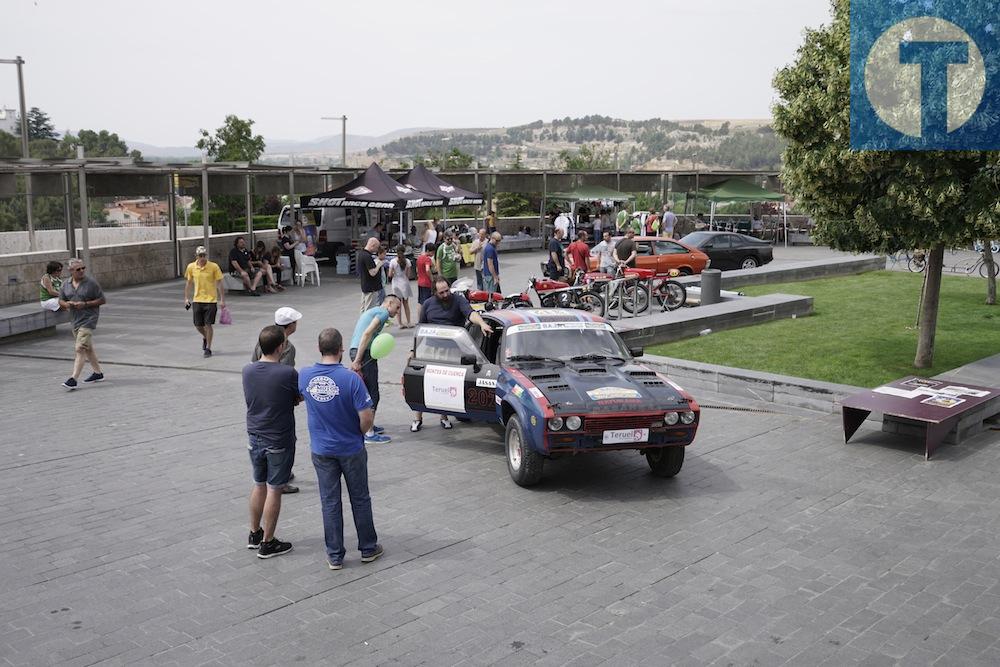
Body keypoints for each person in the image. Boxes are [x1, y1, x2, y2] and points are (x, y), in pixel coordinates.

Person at [300, 328, 383, 570]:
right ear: (341, 350)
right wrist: (357, 433)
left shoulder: (305, 375)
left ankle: (335, 554)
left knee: (329, 501)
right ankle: (368, 548)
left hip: (322, 450)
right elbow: (367, 416)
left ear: (319, 349)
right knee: (360, 498)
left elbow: (299, 396)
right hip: (350, 448)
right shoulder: (351, 379)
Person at [242, 325, 300, 559]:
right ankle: (268, 543)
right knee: (275, 490)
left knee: (259, 484)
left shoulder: (247, 370)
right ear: (281, 347)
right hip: (279, 438)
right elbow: (297, 397)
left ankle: (254, 533)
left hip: (254, 436)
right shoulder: (287, 373)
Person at [412, 278, 492, 432]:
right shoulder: (428, 304)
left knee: (445, 383)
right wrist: (413, 351)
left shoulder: (458, 300)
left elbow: (470, 314)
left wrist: (481, 323)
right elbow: (420, 329)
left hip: (452, 351)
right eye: (441, 292)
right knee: (422, 381)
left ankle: (444, 417)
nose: (445, 294)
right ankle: (417, 418)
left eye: (447, 290)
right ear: (435, 292)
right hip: (431, 350)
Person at [350, 296, 401, 445]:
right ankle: (369, 433)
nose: (398, 312)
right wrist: (358, 360)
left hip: (359, 351)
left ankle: (369, 425)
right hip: (363, 354)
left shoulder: (374, 310)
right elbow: (367, 333)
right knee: (372, 393)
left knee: (367, 391)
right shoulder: (383, 313)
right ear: (389, 303)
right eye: (397, 307)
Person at [59, 258, 107, 389]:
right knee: (88, 348)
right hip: (75, 320)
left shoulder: (91, 283)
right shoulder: (66, 285)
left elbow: (102, 300)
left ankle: (73, 379)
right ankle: (98, 373)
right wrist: (67, 304)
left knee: (80, 348)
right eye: (78, 269)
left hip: (89, 319)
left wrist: (85, 304)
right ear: (71, 271)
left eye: (83, 268)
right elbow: (61, 301)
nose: (81, 271)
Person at [184, 245, 226, 358]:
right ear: (196, 256)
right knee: (198, 325)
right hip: (197, 299)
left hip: (211, 300)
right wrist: (186, 298)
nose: (202, 258)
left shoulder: (213, 266)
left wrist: (222, 300)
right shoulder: (191, 267)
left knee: (208, 324)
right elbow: (188, 283)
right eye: (200, 256)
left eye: (204, 255)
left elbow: (219, 283)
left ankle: (208, 348)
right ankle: (205, 337)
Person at [388, 245, 413, 328]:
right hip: (405, 283)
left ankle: (400, 323)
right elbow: (408, 275)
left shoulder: (393, 262)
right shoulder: (408, 261)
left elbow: (390, 274)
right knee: (406, 304)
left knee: (398, 305)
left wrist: (395, 274)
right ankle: (409, 322)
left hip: (396, 284)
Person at [357, 237, 384, 313]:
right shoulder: (367, 256)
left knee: (363, 308)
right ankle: (367, 324)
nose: (377, 250)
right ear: (372, 245)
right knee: (369, 309)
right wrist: (379, 265)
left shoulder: (361, 254)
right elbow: (372, 273)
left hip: (365, 285)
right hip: (371, 287)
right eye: (377, 247)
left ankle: (362, 323)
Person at [416, 243, 435, 310]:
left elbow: (417, 270)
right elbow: (427, 269)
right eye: (433, 252)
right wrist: (432, 279)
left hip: (420, 281)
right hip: (426, 283)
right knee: (427, 302)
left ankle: (420, 318)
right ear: (428, 251)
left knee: (420, 301)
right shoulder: (427, 259)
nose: (433, 254)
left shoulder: (419, 257)